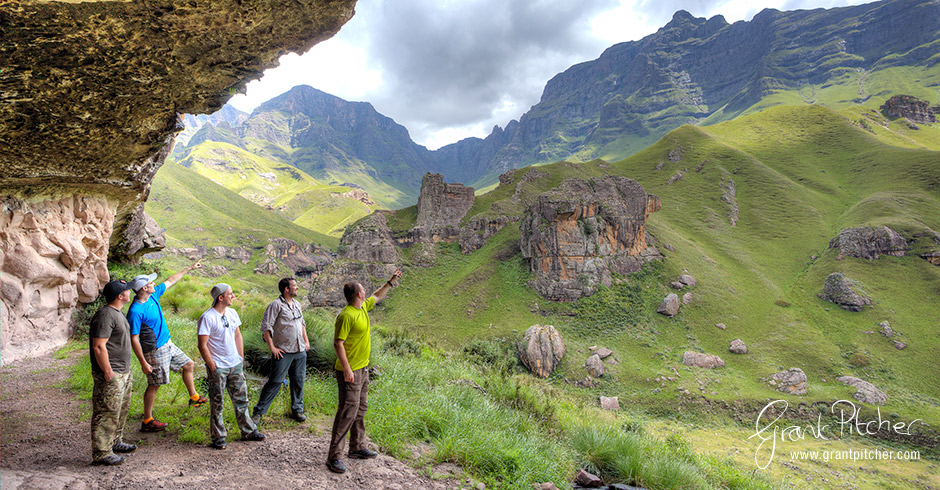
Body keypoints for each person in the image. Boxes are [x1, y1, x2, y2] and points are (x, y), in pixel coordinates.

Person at [326, 267, 402, 474]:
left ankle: (357, 447)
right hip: (349, 371)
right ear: (359, 294)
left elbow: (377, 295)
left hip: (363, 369)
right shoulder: (346, 315)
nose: (366, 291)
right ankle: (334, 457)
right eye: (363, 290)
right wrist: (348, 370)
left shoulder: (362, 308)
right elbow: (338, 343)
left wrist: (391, 281)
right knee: (347, 412)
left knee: (360, 409)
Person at [127, 262, 208, 432]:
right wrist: (143, 362)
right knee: (154, 384)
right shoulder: (136, 311)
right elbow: (134, 339)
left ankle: (193, 397)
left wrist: (189, 268)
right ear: (143, 289)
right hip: (154, 351)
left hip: (167, 344)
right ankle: (147, 420)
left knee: (188, 365)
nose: (153, 284)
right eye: (150, 283)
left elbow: (171, 281)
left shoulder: (153, 296)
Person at [197, 284, 266, 450]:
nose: (233, 296)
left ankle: (248, 431)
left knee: (242, 399)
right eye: (230, 294)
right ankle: (218, 437)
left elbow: (237, 335)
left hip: (234, 364)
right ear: (221, 297)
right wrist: (212, 366)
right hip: (219, 367)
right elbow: (202, 345)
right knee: (217, 402)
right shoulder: (207, 317)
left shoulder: (233, 313)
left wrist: (240, 358)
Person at [90, 279, 137, 466]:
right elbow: (99, 347)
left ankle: (115, 442)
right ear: (120, 296)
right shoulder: (106, 315)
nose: (130, 292)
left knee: (120, 410)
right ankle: (101, 452)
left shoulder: (117, 313)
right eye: (127, 290)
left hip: (123, 371)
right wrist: (107, 371)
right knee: (107, 411)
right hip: (112, 373)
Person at [253, 277, 310, 423]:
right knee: (275, 382)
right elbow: (266, 327)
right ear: (286, 289)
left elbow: (302, 324)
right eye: (294, 286)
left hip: (299, 350)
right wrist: (272, 348)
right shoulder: (275, 305)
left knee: (298, 381)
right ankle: (258, 412)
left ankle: (297, 410)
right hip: (283, 351)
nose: (297, 288)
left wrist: (306, 342)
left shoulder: (297, 304)